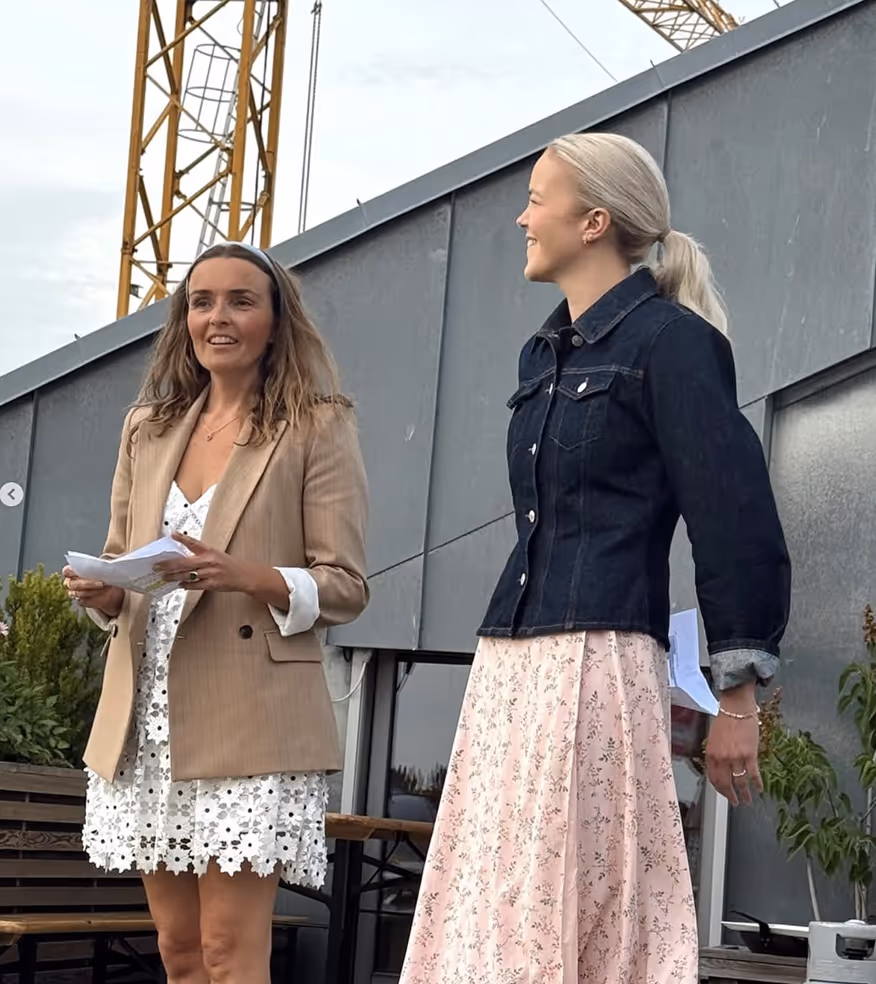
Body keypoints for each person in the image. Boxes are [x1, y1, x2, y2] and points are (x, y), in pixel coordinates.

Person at [399, 133, 791, 984]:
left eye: (538, 198)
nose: (522, 216)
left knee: (577, 894)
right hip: (509, 662)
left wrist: (738, 696)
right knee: (498, 900)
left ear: (594, 222)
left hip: (598, 660)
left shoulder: (672, 344)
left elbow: (735, 518)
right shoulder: (544, 356)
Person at [62, 242, 369, 984]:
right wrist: (103, 594)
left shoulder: (316, 425)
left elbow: (346, 585)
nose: (218, 318)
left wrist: (248, 575)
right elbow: (117, 557)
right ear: (184, 319)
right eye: (202, 302)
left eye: (241, 300)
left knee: (231, 952)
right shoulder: (148, 427)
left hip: (249, 719)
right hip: (148, 720)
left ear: (275, 321)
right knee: (179, 952)